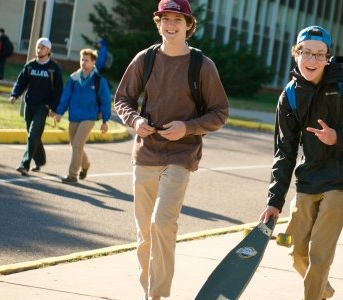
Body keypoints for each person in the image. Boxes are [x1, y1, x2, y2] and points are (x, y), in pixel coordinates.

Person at [112, 0, 229, 298]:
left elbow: (219, 112)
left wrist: (187, 128)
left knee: (162, 223)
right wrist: (135, 119)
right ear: (158, 22)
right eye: (166, 18)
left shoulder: (202, 65)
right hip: (145, 154)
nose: (171, 25)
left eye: (178, 19)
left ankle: (158, 295)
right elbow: (122, 99)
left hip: (181, 155)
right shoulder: (145, 59)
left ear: (189, 25)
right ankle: (149, 289)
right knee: (145, 235)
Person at [257, 26, 343, 300]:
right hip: (310, 176)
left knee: (319, 254)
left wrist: (339, 137)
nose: (312, 61)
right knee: (296, 251)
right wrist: (274, 201)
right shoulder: (289, 95)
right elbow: (284, 151)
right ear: (295, 54)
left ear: (328, 58)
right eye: (306, 53)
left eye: (319, 54)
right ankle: (322, 290)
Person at [54, 48, 111, 183]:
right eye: (82, 60)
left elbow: (105, 101)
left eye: (86, 60)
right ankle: (85, 165)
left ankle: (72, 175)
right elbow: (66, 96)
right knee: (75, 145)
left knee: (78, 144)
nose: (83, 62)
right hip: (74, 116)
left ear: (93, 62)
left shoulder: (98, 80)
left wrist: (105, 121)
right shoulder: (74, 78)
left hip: (89, 117)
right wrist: (60, 112)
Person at [9, 37, 63, 176]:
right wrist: (15, 94)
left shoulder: (53, 68)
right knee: (33, 135)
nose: (39, 49)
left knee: (33, 135)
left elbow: (58, 90)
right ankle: (40, 160)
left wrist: (55, 108)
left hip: (43, 106)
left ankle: (24, 165)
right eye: (38, 47)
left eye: (42, 47)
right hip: (29, 104)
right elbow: (21, 81)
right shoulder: (30, 65)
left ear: (48, 50)